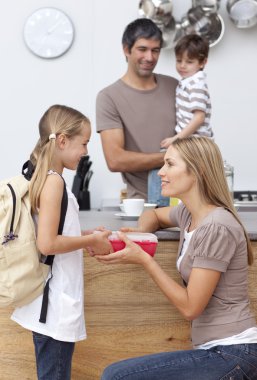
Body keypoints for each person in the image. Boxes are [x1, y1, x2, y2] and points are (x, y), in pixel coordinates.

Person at [96, 136, 257, 380]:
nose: (161, 172)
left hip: (233, 353)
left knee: (116, 376)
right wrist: (142, 234)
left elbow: (191, 307)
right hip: (216, 350)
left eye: (170, 164)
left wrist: (145, 260)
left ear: (198, 171)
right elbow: (155, 215)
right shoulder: (189, 213)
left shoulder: (216, 227)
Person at [11, 104, 112, 380]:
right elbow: (47, 244)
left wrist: (86, 237)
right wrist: (91, 239)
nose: (87, 151)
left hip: (52, 302)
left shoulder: (45, 177)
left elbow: (55, 232)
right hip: (54, 305)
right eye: (85, 143)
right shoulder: (54, 182)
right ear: (63, 141)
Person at [96, 18, 178, 204]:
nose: (149, 57)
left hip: (184, 199)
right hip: (142, 204)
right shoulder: (109, 97)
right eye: (142, 49)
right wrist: (172, 157)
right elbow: (115, 160)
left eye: (155, 50)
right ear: (127, 49)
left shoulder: (174, 86)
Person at [161, 33, 213, 148]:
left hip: (196, 143)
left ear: (203, 63)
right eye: (179, 60)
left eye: (189, 62)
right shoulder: (187, 82)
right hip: (189, 141)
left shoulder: (196, 85)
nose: (182, 66)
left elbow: (199, 118)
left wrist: (176, 138)